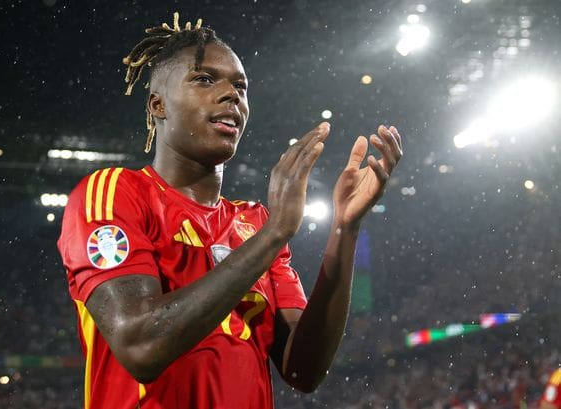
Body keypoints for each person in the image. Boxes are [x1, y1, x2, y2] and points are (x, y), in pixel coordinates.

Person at [58, 12, 402, 409]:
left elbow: (303, 372)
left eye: (240, 85)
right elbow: (140, 346)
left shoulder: (252, 222)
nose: (231, 94)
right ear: (158, 104)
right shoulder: (114, 193)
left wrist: (345, 228)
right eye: (204, 79)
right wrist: (275, 234)